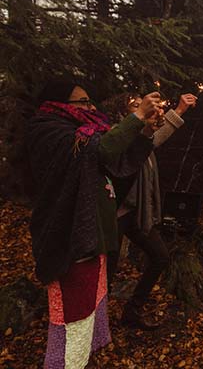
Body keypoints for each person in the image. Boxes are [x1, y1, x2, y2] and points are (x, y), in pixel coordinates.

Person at [27, 81, 160, 368]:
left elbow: (119, 162)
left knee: (86, 317)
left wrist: (146, 129)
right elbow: (101, 151)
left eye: (90, 101)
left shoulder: (84, 131)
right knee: (72, 322)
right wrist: (137, 117)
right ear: (60, 104)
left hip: (91, 239)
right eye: (83, 101)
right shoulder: (50, 132)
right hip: (70, 241)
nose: (90, 107)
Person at [103, 92, 198, 329]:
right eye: (136, 105)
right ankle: (96, 326)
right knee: (106, 274)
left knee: (160, 256)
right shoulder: (114, 136)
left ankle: (132, 311)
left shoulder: (144, 139)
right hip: (114, 215)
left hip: (136, 213)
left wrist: (180, 109)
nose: (145, 107)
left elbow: (156, 137)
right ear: (123, 113)